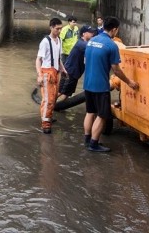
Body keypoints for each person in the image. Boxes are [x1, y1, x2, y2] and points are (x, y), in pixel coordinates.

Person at [83, 16, 139, 152]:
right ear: (114, 29)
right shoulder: (111, 45)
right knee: (102, 115)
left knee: (90, 112)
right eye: (117, 30)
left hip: (87, 83)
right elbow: (116, 70)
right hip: (100, 86)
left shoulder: (91, 41)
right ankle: (94, 144)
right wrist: (129, 82)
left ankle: (86, 139)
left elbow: (85, 61)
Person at [35, 18, 68, 134]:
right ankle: (45, 124)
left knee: (53, 98)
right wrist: (39, 75)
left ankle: (48, 116)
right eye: (57, 29)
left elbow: (58, 58)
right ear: (51, 28)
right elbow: (38, 60)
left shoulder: (59, 40)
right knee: (48, 100)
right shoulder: (45, 41)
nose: (59, 31)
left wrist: (63, 69)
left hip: (56, 72)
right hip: (47, 73)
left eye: (60, 29)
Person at [57, 25, 98, 105]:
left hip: (75, 73)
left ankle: (57, 107)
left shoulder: (85, 44)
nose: (92, 34)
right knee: (61, 92)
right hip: (69, 72)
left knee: (67, 93)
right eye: (90, 32)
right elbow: (94, 49)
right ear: (84, 34)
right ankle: (49, 106)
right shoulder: (82, 44)